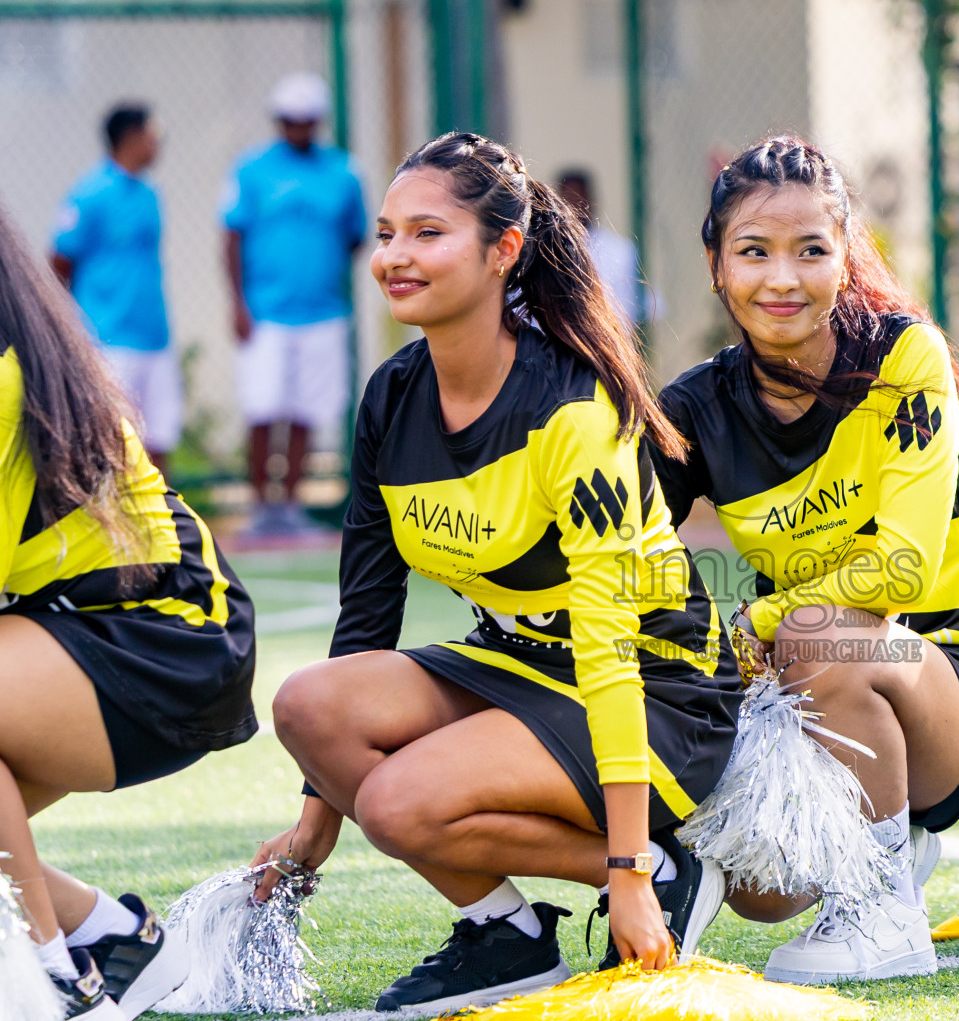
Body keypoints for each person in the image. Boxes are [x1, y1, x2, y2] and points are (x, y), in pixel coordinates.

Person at [253, 133, 742, 1015]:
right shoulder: (392, 396)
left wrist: (626, 867)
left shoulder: (571, 406)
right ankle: (507, 937)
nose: (396, 257)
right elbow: (367, 612)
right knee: (309, 703)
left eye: (428, 233)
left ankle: (667, 868)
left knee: (403, 804)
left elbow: (607, 642)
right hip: (520, 665)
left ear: (503, 250)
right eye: (387, 233)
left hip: (660, 689)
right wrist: (312, 827)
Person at [651, 136, 959, 984]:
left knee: (814, 628)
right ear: (718, 266)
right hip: (802, 688)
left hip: (954, 678)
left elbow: (902, 571)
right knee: (762, 890)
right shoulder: (696, 406)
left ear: (844, 255)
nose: (782, 280)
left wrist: (752, 621)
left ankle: (882, 916)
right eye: (753, 252)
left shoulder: (904, 356)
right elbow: (621, 547)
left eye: (810, 251)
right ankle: (892, 839)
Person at [0, 205, 257, 1018]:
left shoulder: (5, 377)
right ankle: (116, 940)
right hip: (88, 639)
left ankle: (52, 980)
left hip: (168, 635)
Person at [222, 71, 369, 535]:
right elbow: (230, 236)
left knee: (307, 409)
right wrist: (238, 304)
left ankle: (290, 507)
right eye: (290, 120)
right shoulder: (250, 170)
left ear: (318, 121)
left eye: (306, 120)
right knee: (263, 409)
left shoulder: (345, 173)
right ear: (278, 121)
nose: (298, 128)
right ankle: (261, 507)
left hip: (323, 313)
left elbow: (355, 237)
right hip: (265, 311)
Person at [51, 103, 179, 476]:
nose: (158, 143)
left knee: (160, 433)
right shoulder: (89, 194)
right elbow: (60, 262)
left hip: (155, 336)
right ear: (132, 137)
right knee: (115, 436)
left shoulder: (150, 193)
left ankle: (161, 521)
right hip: (107, 336)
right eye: (152, 134)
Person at [555, 169, 656, 327]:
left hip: (614, 343)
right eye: (567, 200)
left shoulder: (621, 250)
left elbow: (650, 308)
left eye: (578, 199)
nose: (573, 207)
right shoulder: (547, 252)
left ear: (592, 201)